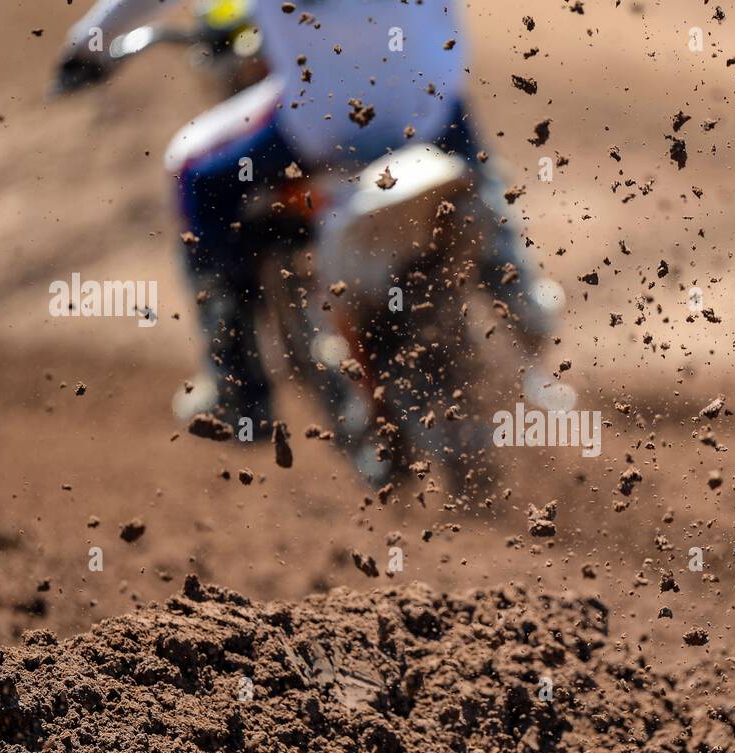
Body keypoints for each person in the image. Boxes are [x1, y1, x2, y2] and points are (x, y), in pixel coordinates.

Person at [56, 0, 562, 448]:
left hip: (322, 127)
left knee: (195, 177)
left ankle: (238, 388)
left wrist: (86, 46)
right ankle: (522, 298)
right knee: (471, 169)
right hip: (430, 113)